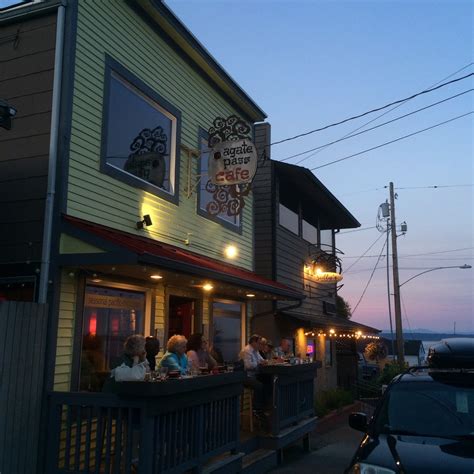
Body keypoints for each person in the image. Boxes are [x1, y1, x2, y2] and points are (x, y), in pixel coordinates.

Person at [239, 334, 268, 417]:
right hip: (245, 376)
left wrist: (265, 361)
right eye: (258, 343)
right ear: (253, 342)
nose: (259, 345)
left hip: (253, 375)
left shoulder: (255, 351)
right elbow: (247, 366)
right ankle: (256, 409)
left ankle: (264, 407)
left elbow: (262, 360)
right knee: (259, 385)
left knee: (267, 382)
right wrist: (259, 363)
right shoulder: (247, 350)